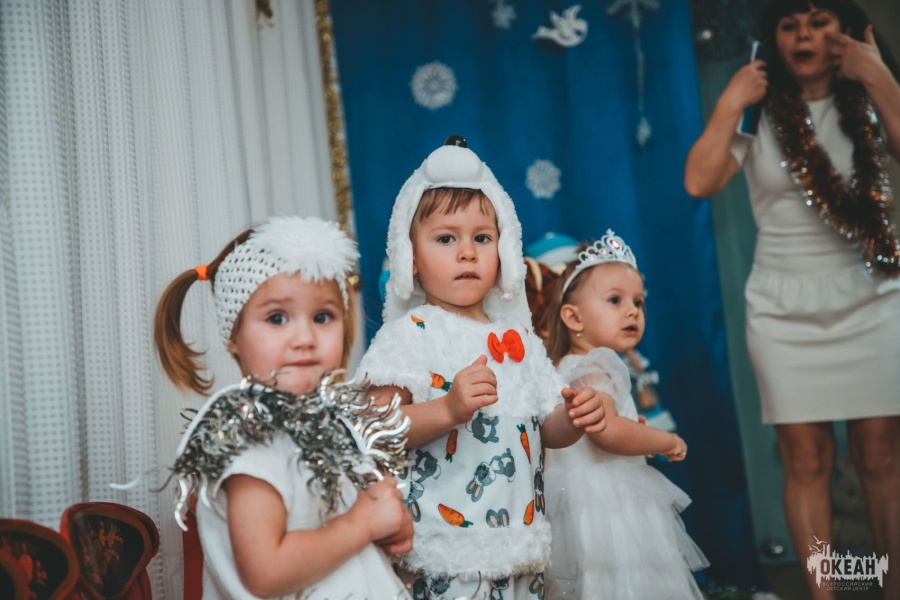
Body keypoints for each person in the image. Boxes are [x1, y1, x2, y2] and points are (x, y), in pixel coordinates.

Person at [684, 1, 900, 597]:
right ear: (773, 39)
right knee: (805, 462)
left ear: (846, 32)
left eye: (818, 20)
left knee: (880, 458)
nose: (803, 34)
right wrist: (730, 101)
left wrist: (879, 75)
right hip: (782, 309)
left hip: (873, 299)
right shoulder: (759, 108)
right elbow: (699, 180)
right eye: (788, 24)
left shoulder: (870, 96)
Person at [359, 136, 606, 599]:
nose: (467, 252)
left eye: (482, 238)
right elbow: (373, 429)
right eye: (446, 238)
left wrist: (574, 418)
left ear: (504, 249)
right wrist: (447, 409)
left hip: (522, 546)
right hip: (446, 553)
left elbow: (548, 428)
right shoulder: (410, 334)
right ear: (411, 256)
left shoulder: (521, 341)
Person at [154, 216, 413, 599]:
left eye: (322, 317)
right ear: (234, 336)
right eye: (277, 318)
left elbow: (340, 535)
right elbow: (266, 572)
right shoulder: (247, 436)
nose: (305, 337)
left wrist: (387, 530)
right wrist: (362, 525)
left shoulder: (326, 425)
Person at [540, 230, 708, 599]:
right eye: (615, 300)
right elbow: (607, 432)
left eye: (639, 302)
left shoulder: (569, 365)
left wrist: (632, 429)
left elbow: (607, 427)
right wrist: (664, 440)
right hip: (610, 507)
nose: (632, 311)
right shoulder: (597, 364)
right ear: (573, 317)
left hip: (584, 503)